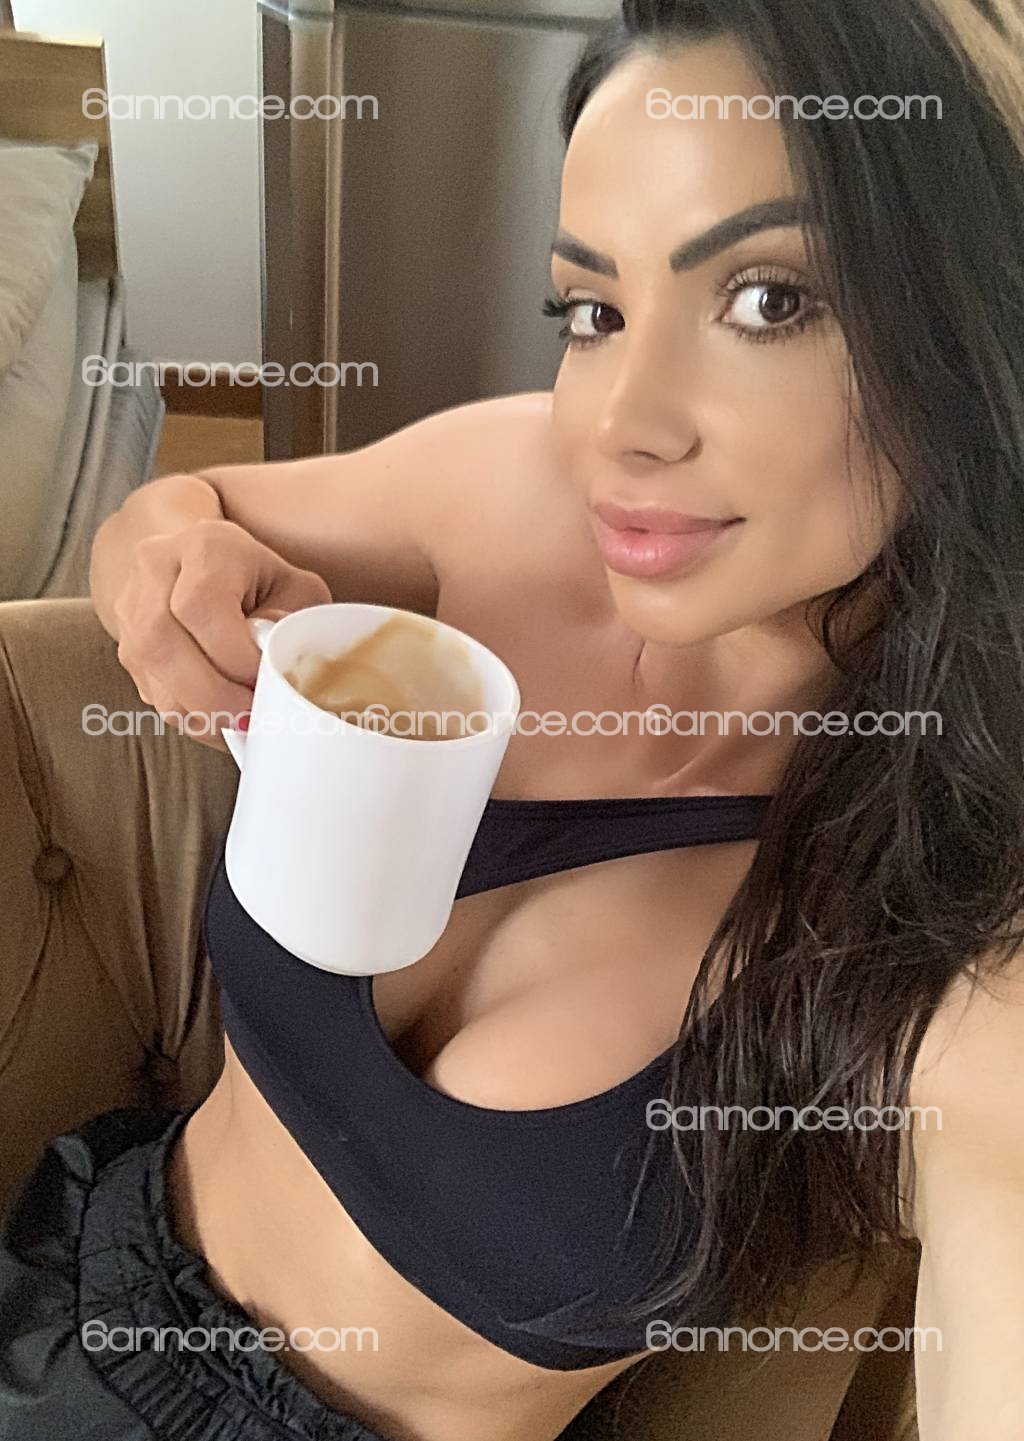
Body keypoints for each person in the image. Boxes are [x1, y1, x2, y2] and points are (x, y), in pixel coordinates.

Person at [3, 1, 1024, 1437]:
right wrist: (169, 571)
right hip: (73, 1266)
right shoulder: (519, 491)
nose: (620, 426)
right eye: (593, 312)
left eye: (768, 301)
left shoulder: (959, 923)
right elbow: (181, 507)